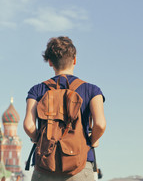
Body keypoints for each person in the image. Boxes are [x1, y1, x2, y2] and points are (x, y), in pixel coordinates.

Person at [24, 36, 106, 181]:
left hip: (44, 166)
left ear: (50, 62)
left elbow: (28, 125)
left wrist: (38, 140)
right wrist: (92, 140)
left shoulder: (36, 91)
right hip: (80, 166)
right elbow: (100, 124)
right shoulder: (92, 90)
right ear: (75, 60)